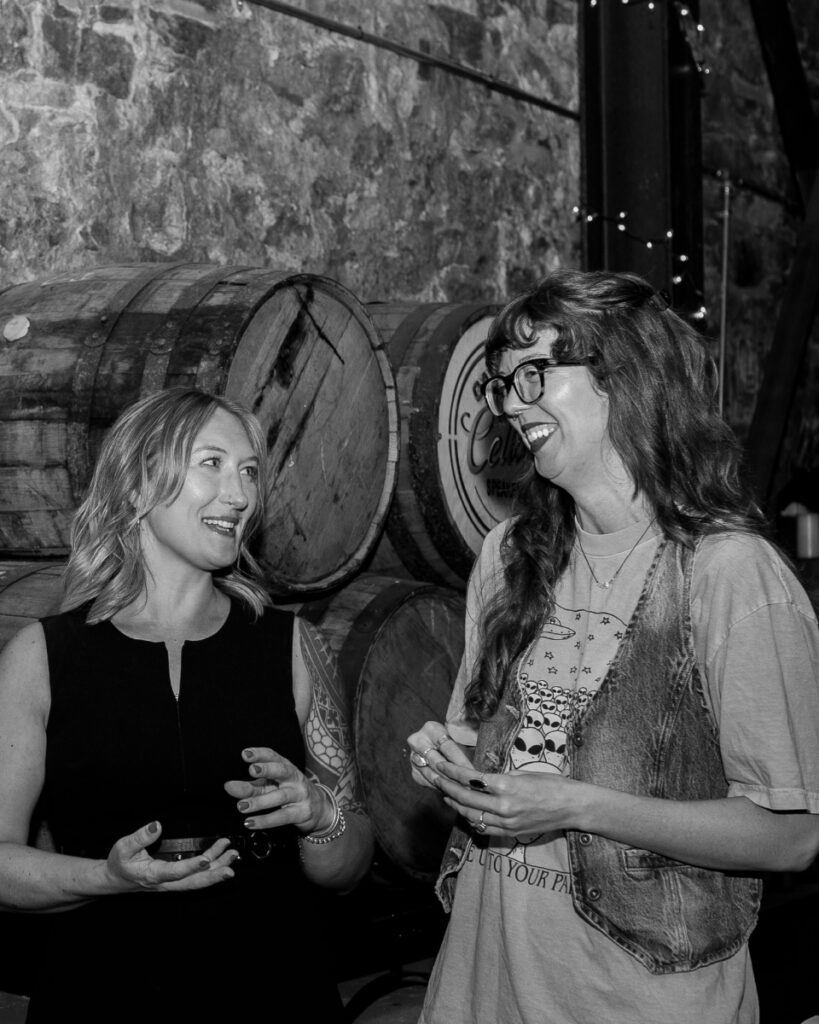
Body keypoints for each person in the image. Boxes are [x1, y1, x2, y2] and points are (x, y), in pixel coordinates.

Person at [408, 269, 819, 1024]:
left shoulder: (730, 575)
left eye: (534, 373)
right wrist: (455, 758)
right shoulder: (507, 555)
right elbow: (498, 747)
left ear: (623, 375)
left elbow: (791, 835)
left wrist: (578, 806)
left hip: (638, 1000)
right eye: (502, 384)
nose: (511, 402)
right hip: (483, 986)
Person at [0, 387, 373, 1022]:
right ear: (139, 485)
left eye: (249, 471)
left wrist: (319, 816)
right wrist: (109, 879)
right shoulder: (42, 657)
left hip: (275, 990)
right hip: (101, 991)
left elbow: (350, 866)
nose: (241, 493)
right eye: (212, 464)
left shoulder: (292, 647)